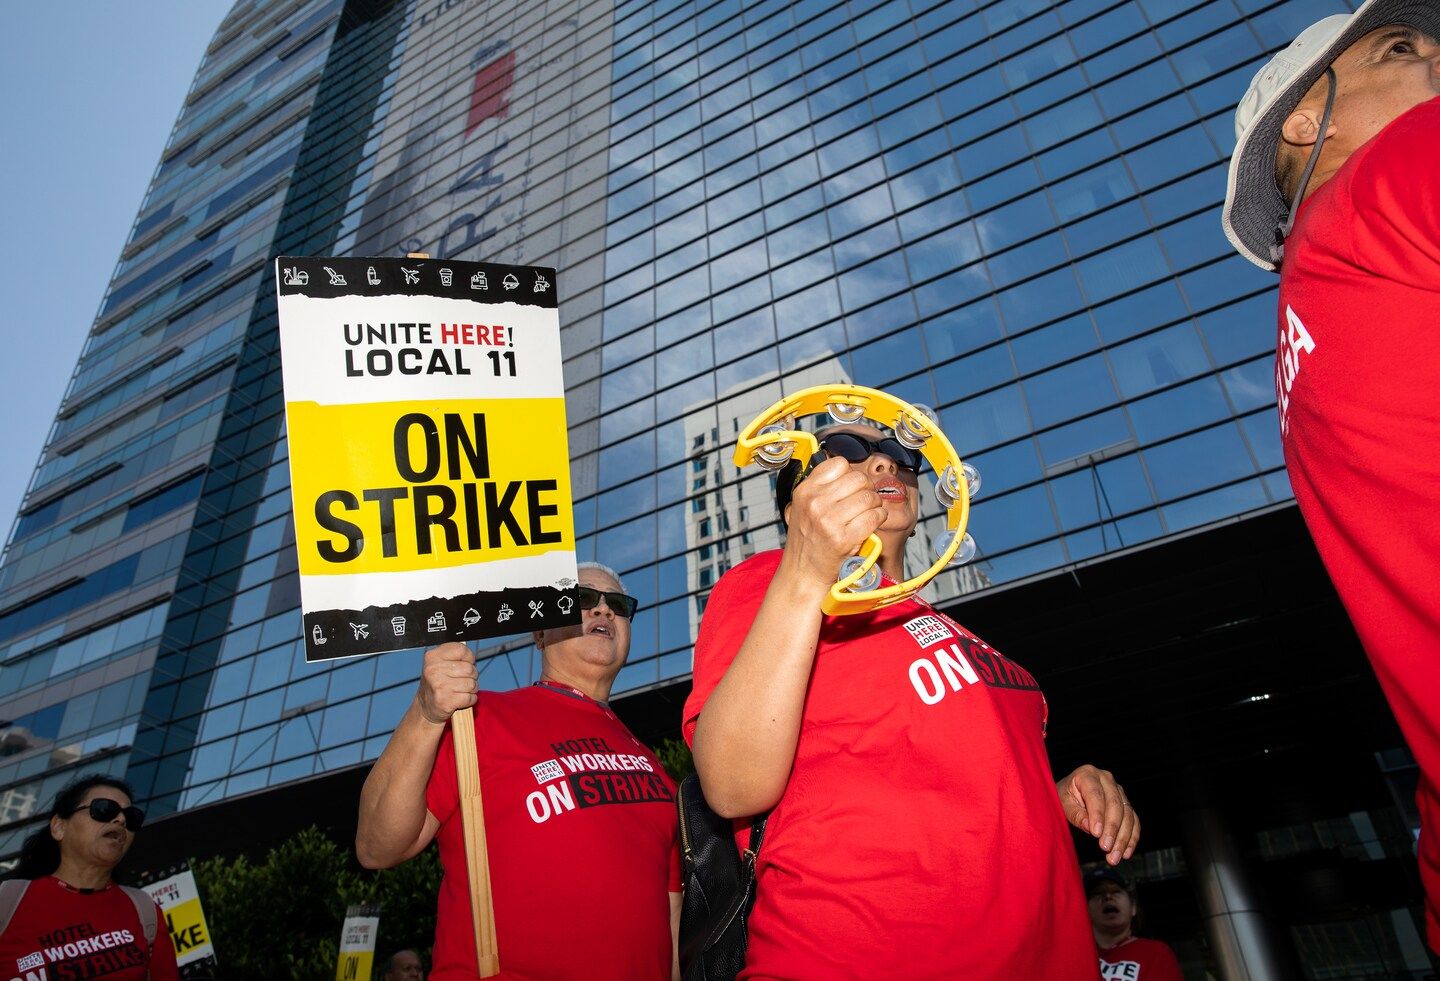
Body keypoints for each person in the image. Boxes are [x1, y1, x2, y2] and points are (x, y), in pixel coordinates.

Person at [685, 420, 1140, 978]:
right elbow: (732, 784)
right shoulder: (769, 583)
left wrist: (1057, 795)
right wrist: (806, 574)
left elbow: (947, 780)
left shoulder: (958, 632)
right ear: (795, 504)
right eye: (848, 451)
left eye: (899, 452)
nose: (885, 463)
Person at [1220, 0, 1440, 949]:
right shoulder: (1402, 166)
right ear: (1310, 124)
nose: (1432, 55)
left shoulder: (1306, 316)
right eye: (1400, 47)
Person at [356, 562, 682, 980]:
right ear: (540, 633)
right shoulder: (475, 718)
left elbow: (670, 917)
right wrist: (425, 713)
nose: (603, 610)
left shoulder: (654, 767)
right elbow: (377, 846)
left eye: (617, 604)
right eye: (582, 599)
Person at [0, 774, 179, 980]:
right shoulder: (7, 902)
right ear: (59, 827)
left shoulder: (146, 912)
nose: (121, 820)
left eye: (131, 817)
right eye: (104, 809)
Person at [1086, 868, 1182, 980]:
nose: (1108, 897)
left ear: (1133, 908)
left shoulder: (1155, 953)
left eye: (1116, 891)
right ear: (1085, 910)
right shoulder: (1074, 956)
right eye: (1097, 893)